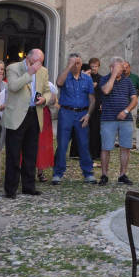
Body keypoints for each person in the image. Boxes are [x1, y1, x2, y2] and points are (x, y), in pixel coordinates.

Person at [4, 49, 53, 198]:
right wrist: (29, 73)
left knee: (31, 153)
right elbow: (13, 86)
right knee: (13, 153)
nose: (39, 64)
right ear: (28, 58)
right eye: (36, 61)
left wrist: (44, 99)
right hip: (17, 115)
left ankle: (29, 186)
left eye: (41, 61)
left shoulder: (43, 71)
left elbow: (47, 90)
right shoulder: (13, 68)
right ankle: (11, 189)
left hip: (34, 113)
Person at [52, 53, 97, 184]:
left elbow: (92, 99)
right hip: (66, 112)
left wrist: (88, 115)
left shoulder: (87, 79)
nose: (76, 66)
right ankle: (58, 173)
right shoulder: (65, 76)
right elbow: (59, 83)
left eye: (78, 63)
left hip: (82, 114)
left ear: (81, 64)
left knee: (83, 144)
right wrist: (69, 66)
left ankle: (88, 173)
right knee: (62, 144)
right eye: (73, 63)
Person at [98, 56, 139, 185]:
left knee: (125, 147)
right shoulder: (104, 79)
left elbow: (134, 99)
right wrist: (113, 74)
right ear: (111, 67)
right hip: (108, 119)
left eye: (121, 68)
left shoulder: (128, 82)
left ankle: (122, 175)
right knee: (106, 147)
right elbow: (106, 90)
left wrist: (126, 111)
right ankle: (104, 175)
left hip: (125, 120)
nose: (121, 70)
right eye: (118, 68)